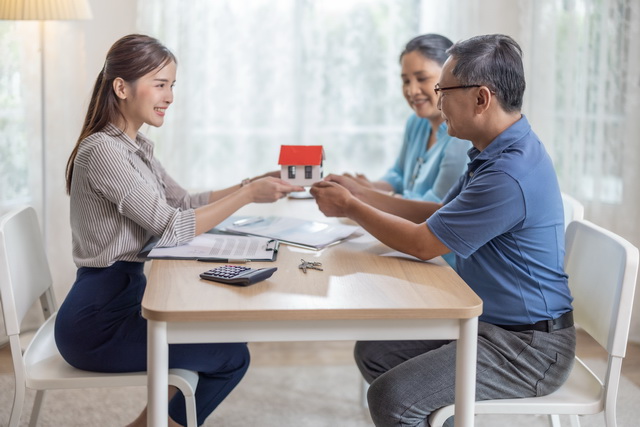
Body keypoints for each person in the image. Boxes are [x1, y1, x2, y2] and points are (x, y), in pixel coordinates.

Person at [311, 34, 575, 426]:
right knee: (375, 352)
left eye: (443, 90)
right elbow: (437, 213)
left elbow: (423, 243)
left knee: (392, 398)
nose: (437, 102)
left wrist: (352, 206)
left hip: (527, 346)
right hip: (492, 324)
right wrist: (360, 193)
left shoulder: (509, 173)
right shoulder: (492, 149)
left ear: (481, 98)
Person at [56, 34, 303, 427]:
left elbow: (184, 203)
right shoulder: (102, 151)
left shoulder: (135, 148)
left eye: (172, 85)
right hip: (96, 325)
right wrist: (248, 196)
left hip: (123, 300)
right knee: (231, 356)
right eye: (160, 84)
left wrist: (250, 183)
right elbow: (173, 227)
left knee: (221, 344)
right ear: (121, 87)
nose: (170, 96)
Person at [345, 33, 470, 203]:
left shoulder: (462, 136)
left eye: (422, 78)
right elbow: (398, 174)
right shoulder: (415, 122)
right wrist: (368, 187)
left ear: (449, 75)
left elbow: (437, 204)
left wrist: (369, 195)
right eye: (406, 81)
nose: (412, 91)